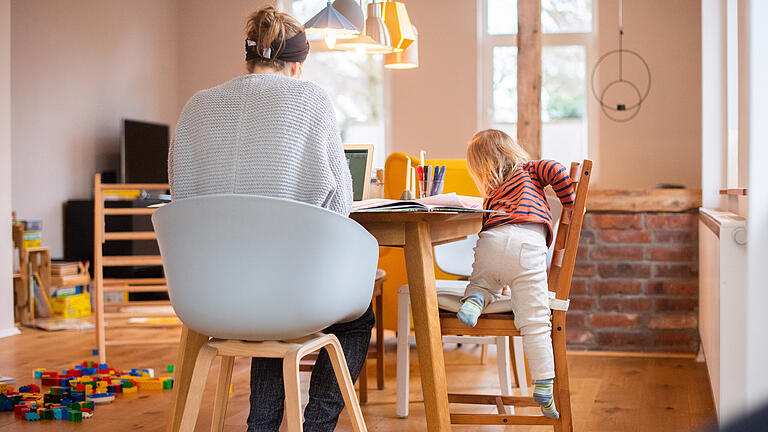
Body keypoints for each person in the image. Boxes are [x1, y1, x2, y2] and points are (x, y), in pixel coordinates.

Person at [168, 6, 374, 432]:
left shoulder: (196, 106)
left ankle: (259, 427)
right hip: (281, 295)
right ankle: (316, 427)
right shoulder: (309, 98)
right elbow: (341, 203)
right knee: (355, 316)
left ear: (249, 58)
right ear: (297, 65)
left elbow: (181, 196)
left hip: (207, 295)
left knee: (272, 303)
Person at [456, 129, 575, 420]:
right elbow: (557, 169)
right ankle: (545, 385)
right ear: (512, 150)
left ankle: (474, 302)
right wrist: (570, 204)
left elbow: (497, 250)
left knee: (483, 282)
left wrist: (500, 281)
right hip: (528, 247)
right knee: (534, 322)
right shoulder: (530, 169)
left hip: (491, 243)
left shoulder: (494, 193)